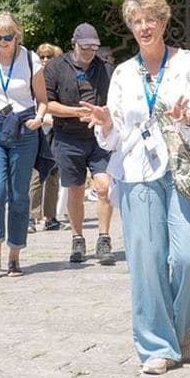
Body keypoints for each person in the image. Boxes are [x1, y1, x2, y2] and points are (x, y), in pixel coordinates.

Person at [81, 0, 190, 375]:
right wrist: (107, 123)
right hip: (136, 174)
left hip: (181, 168)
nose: (144, 27)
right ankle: (156, 347)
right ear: (131, 27)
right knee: (145, 261)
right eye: (137, 21)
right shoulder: (124, 74)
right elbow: (112, 136)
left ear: (164, 22)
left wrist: (189, 119)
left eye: (151, 19)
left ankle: (179, 327)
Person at [0, 12, 48, 279]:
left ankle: (14, 255)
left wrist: (38, 119)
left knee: (18, 194)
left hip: (24, 130)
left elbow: (43, 100)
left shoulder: (29, 58)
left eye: (8, 37)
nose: (2, 42)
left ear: (17, 36)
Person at [44, 23, 115, 265]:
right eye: (85, 47)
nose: (90, 52)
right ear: (74, 43)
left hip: (99, 137)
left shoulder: (106, 68)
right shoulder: (55, 67)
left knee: (104, 187)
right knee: (75, 190)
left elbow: (117, 101)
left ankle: (104, 238)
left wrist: (103, 116)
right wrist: (75, 112)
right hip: (68, 137)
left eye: (94, 47)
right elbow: (47, 104)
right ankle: (77, 239)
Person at [28, 43, 63, 233]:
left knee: (53, 174)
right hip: (37, 128)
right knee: (35, 174)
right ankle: (32, 216)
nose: (45, 60)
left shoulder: (59, 76)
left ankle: (51, 217)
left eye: (48, 57)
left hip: (55, 130)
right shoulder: (32, 76)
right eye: (41, 57)